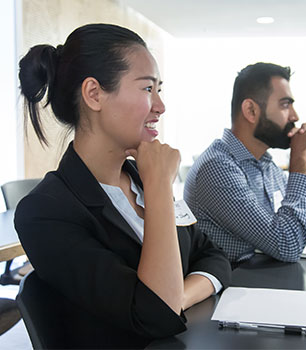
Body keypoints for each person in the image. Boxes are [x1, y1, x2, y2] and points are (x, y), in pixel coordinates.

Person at [15, 23, 231, 349]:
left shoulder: (141, 177)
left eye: (160, 90)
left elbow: (213, 256)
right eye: (147, 89)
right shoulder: (46, 212)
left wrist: (180, 295)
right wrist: (159, 185)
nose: (160, 106)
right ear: (94, 94)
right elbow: (156, 313)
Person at [184, 62, 306, 264]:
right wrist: (299, 162)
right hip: (234, 289)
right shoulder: (218, 168)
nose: (295, 116)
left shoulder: (265, 165)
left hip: (265, 282)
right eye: (285, 105)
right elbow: (287, 245)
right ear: (251, 110)